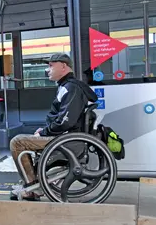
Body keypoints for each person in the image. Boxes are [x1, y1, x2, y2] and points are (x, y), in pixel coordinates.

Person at [9, 53, 98, 201]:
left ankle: (32, 187)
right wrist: (43, 130)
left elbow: (66, 121)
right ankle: (32, 183)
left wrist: (44, 132)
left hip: (67, 140)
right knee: (26, 139)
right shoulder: (67, 87)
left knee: (17, 142)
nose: (47, 70)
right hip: (66, 137)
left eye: (51, 66)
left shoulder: (71, 88)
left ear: (63, 66)